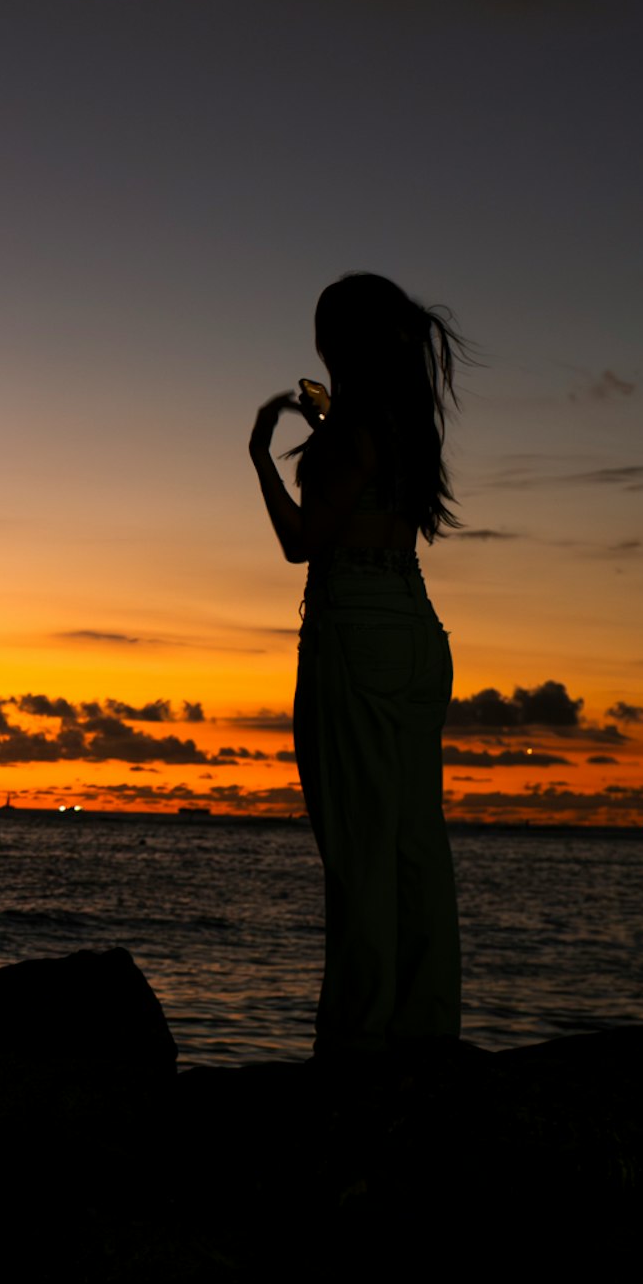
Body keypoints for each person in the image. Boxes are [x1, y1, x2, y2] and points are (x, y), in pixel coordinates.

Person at [248, 276, 466, 1059]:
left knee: (357, 840)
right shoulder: (408, 426)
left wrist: (261, 461)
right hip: (417, 626)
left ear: (339, 343)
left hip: (356, 627)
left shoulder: (350, 432)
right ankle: (425, 1019)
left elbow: (305, 538)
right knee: (413, 837)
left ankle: (360, 1033)